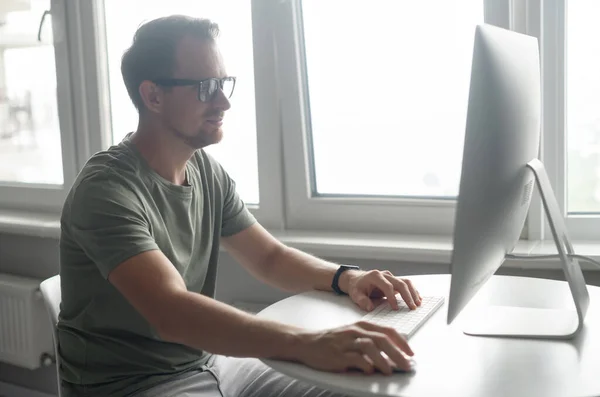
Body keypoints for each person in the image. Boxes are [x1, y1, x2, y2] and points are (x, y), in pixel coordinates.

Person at [57, 15, 422, 397]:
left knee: (360, 389)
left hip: (209, 365)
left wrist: (347, 278)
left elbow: (269, 258)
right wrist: (307, 344)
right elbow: (171, 312)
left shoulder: (205, 171)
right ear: (153, 96)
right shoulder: (105, 191)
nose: (224, 102)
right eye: (206, 87)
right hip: (131, 387)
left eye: (224, 84)